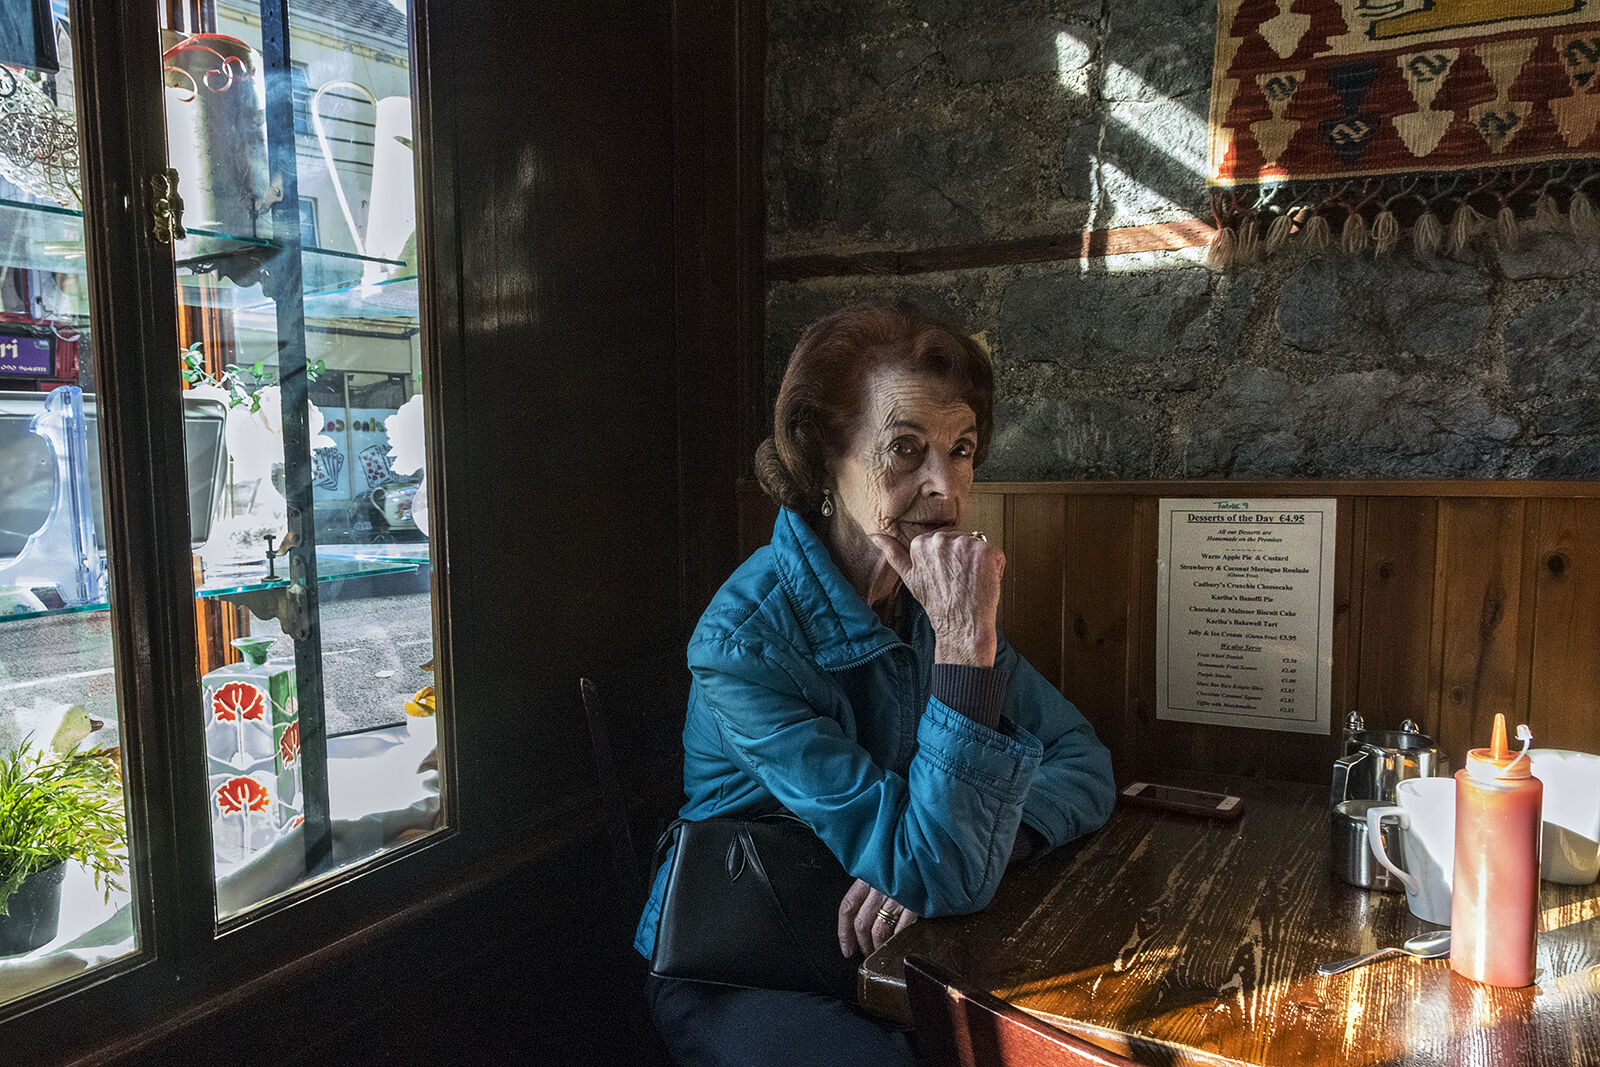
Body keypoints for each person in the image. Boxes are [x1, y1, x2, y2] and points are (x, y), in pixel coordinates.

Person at [636, 301, 1115, 1066]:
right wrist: (965, 645)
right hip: (747, 967)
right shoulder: (744, 642)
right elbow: (932, 864)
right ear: (823, 453)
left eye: (961, 449)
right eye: (905, 448)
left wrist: (989, 842)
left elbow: (1085, 761)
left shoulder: (927, 597)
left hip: (898, 942)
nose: (947, 488)